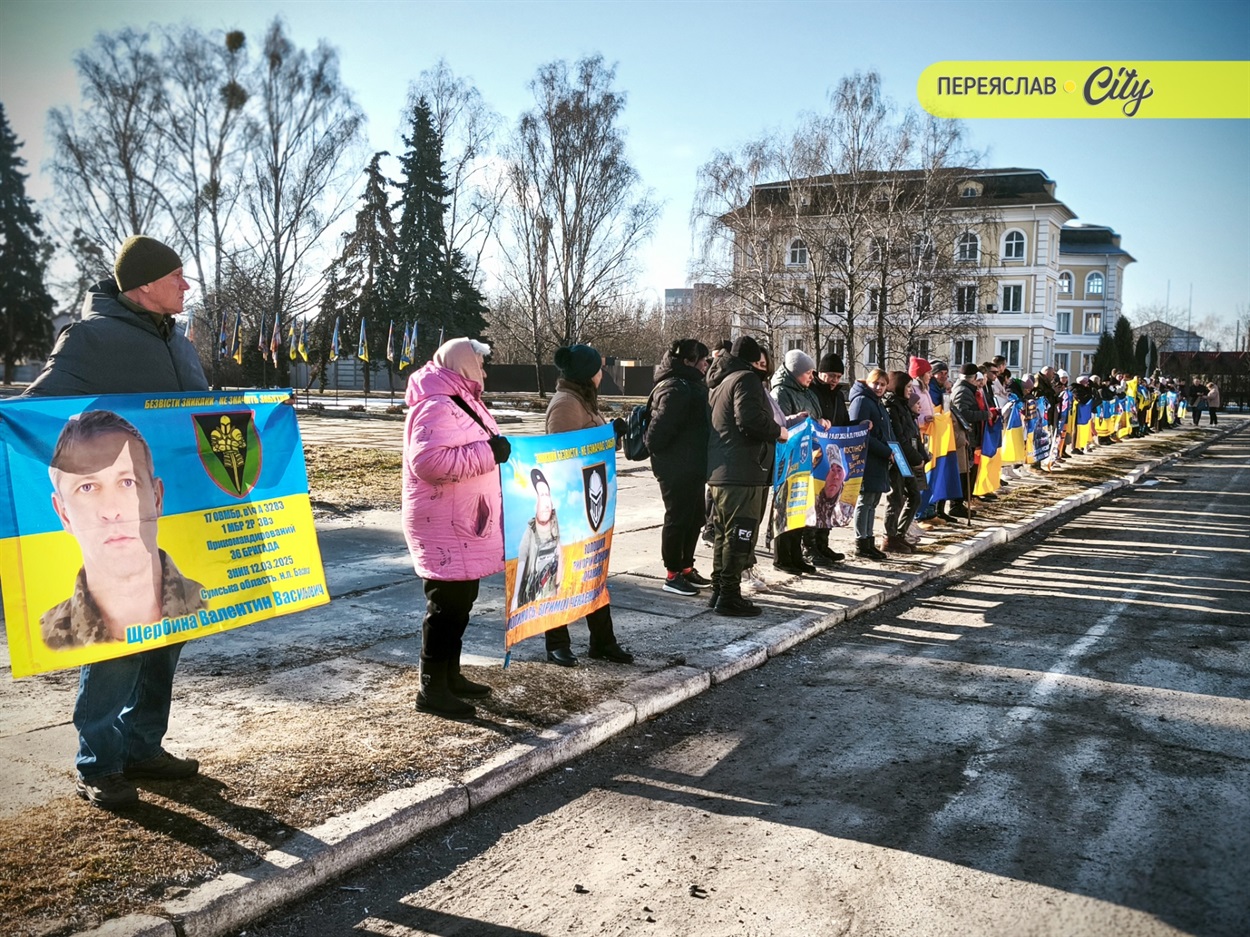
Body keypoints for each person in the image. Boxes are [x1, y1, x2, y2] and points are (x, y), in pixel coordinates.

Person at [21, 234, 207, 809]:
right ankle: (99, 761)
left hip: (175, 513)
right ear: (145, 284)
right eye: (176, 275)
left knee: (168, 635)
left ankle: (145, 747)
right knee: (117, 641)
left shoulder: (179, 342)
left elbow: (203, 414)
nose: (186, 284)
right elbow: (39, 408)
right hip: (117, 516)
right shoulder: (90, 338)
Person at [402, 337, 510, 719]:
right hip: (444, 525)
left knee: (461, 604)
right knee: (445, 607)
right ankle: (431, 689)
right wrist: (489, 454)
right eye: (480, 363)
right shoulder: (437, 405)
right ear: (463, 363)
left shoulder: (460, 399)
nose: (484, 370)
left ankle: (450, 675)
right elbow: (428, 463)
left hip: (464, 521)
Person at [41, 411, 206, 650]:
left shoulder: (210, 601)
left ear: (157, 498)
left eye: (127, 482)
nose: (111, 510)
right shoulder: (46, 637)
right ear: (64, 514)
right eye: (88, 487)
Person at [542, 344, 633, 666]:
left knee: (592, 570)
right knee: (561, 572)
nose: (602, 374)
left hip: (588, 502)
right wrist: (604, 436)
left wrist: (613, 433)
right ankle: (557, 642)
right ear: (587, 373)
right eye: (598, 368)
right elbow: (563, 455)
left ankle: (602, 641)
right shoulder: (566, 404)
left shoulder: (583, 401)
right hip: (568, 503)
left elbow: (593, 446)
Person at [706, 336, 786, 616]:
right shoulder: (746, 380)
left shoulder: (719, 382)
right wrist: (778, 431)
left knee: (722, 536)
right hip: (742, 472)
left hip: (721, 472)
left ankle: (719, 590)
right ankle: (729, 595)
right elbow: (749, 419)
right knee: (740, 535)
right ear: (754, 360)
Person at [645, 339, 712, 597]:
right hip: (677, 467)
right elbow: (656, 434)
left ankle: (686, 566)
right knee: (678, 518)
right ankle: (672, 573)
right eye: (702, 360)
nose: (706, 365)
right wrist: (671, 457)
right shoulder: (676, 387)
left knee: (695, 517)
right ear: (687, 361)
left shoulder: (689, 384)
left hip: (692, 465)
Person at [769, 349, 825, 574]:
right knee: (785, 508)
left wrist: (822, 422)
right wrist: (800, 422)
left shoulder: (807, 391)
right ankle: (782, 557)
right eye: (808, 373)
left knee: (800, 507)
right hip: (789, 458)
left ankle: (796, 554)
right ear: (796, 372)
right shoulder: (781, 391)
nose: (812, 377)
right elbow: (780, 422)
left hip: (806, 458)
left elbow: (813, 416)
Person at [804, 350, 849, 565]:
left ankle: (823, 543)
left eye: (838, 377)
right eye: (831, 375)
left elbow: (844, 422)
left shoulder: (839, 395)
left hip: (834, 452)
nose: (834, 380)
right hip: (814, 453)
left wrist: (860, 426)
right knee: (814, 499)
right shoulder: (812, 392)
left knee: (830, 500)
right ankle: (809, 546)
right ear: (820, 373)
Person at [847, 368, 894, 559]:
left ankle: (869, 539)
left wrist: (892, 450)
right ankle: (861, 542)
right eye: (876, 383)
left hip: (879, 459)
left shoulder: (877, 402)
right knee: (865, 500)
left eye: (883, 384)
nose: (879, 387)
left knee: (874, 501)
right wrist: (886, 451)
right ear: (868, 382)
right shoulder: (861, 401)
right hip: (866, 459)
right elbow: (861, 434)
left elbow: (885, 431)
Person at [881, 372, 926, 553]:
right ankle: (889, 537)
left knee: (915, 496)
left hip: (906, 457)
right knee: (896, 497)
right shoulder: (892, 407)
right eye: (907, 387)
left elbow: (912, 433)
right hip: (898, 458)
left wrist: (921, 456)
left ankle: (900, 534)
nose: (910, 391)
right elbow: (900, 438)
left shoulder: (903, 406)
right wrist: (916, 458)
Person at [512, 468, 562, 609]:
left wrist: (559, 587)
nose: (546, 502)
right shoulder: (530, 532)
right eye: (541, 495)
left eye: (547, 495)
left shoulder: (556, 527)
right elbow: (521, 563)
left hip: (551, 595)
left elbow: (560, 556)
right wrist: (515, 600)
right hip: (534, 597)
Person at [950, 363, 990, 517]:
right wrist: (984, 415)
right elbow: (962, 414)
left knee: (967, 470)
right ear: (973, 378)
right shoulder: (963, 391)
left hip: (967, 436)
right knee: (963, 471)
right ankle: (956, 505)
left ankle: (961, 503)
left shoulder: (967, 389)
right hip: (964, 436)